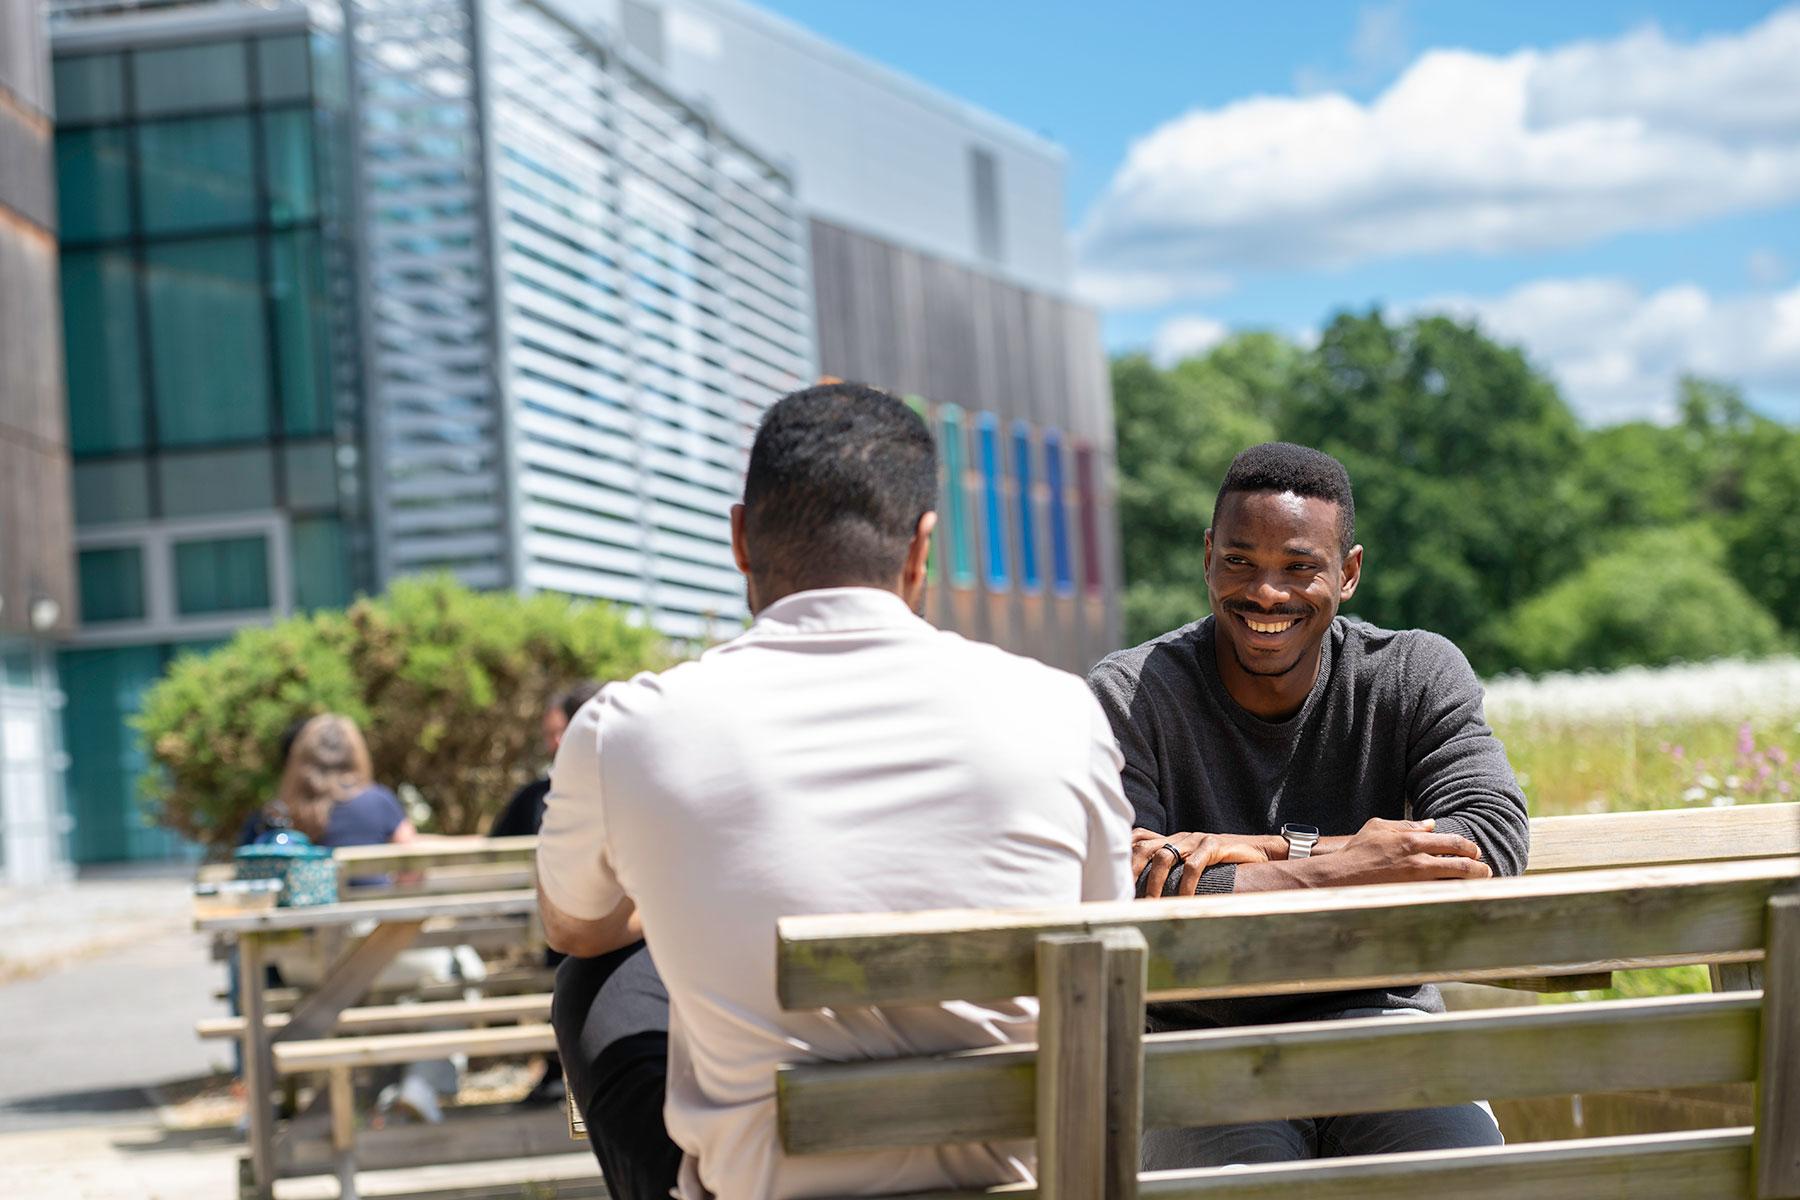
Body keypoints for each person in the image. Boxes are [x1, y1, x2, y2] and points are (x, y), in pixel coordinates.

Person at [535, 383, 1177, 1200]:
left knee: (598, 978)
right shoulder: (1060, 709)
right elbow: (1102, 943)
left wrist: (685, 896)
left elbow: (572, 926)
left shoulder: (628, 727)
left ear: (739, 538)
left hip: (770, 1185)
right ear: (922, 547)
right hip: (1022, 1182)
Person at [1088, 441, 1531, 1168]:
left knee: (1469, 1179)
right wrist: (1343, 866)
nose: (1266, 593)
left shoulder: (1416, 673)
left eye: (1299, 567)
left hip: (1386, 1017)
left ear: (1348, 573)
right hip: (1198, 1037)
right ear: (1206, 558)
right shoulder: (1130, 694)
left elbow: (1488, 842)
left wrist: (1270, 849)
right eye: (1239, 561)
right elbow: (1128, 882)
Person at [488, 682, 602, 1105]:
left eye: (562, 731)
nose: (556, 742)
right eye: (549, 734)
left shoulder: (598, 787)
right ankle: (563, 1072)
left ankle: (567, 1074)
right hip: (567, 931)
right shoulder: (535, 796)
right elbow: (492, 853)